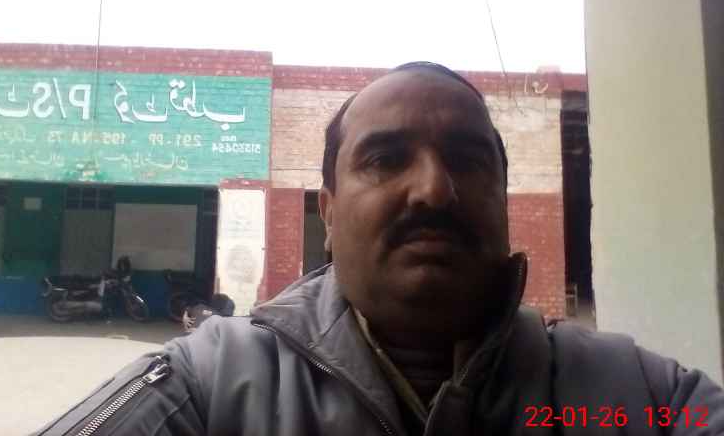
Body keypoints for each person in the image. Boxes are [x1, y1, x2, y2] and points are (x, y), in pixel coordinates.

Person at [36, 62, 724, 436]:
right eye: (386, 159)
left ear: (503, 201)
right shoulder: (208, 385)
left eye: (467, 159)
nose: (433, 190)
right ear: (329, 212)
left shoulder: (642, 398)